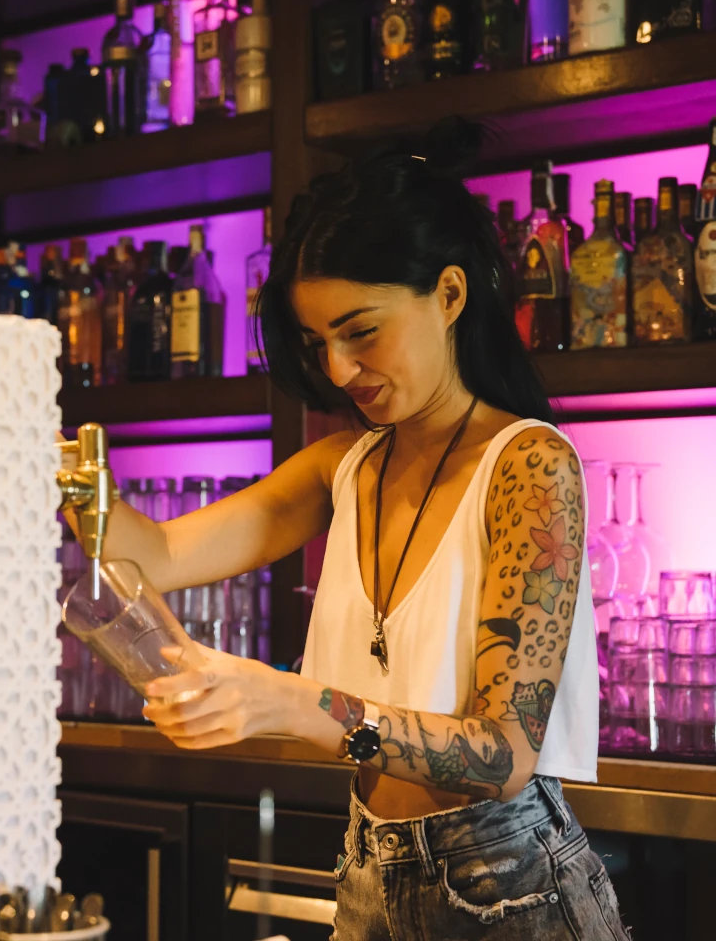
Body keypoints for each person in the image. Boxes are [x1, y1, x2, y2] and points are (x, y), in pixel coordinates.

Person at [80, 120, 628, 939]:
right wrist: (59, 472)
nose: (337, 370)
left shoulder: (527, 466)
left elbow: (505, 753)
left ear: (448, 295)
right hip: (370, 870)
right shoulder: (343, 467)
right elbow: (154, 554)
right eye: (318, 342)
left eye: (361, 331)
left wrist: (293, 702)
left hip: (511, 888)